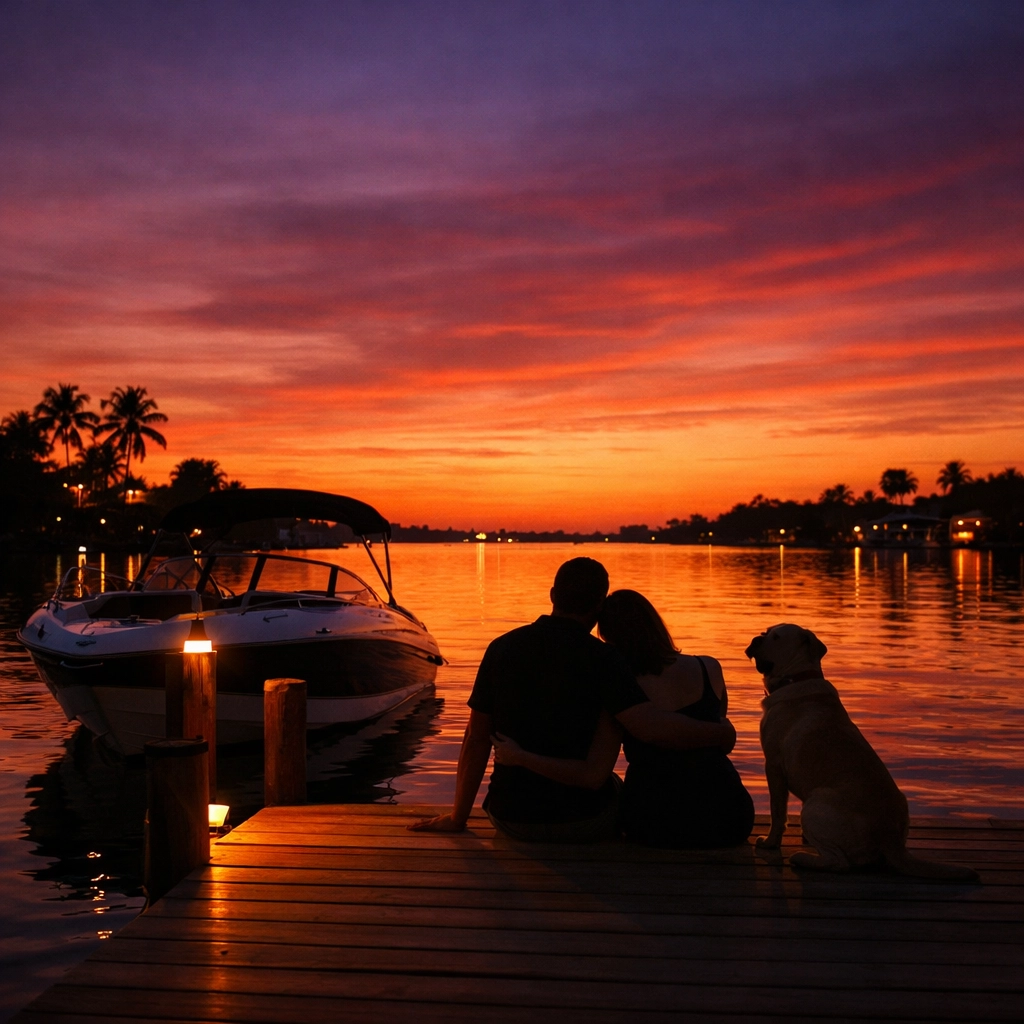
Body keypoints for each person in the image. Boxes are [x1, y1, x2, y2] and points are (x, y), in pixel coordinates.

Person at [410, 559, 736, 842]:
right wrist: (720, 733)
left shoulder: (502, 648)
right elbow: (649, 727)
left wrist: (458, 817)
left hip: (510, 817)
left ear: (553, 595)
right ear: (599, 606)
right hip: (584, 822)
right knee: (619, 787)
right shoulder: (606, 659)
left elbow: (477, 738)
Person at [493, 589, 754, 848]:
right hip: (729, 815)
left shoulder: (621, 687)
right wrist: (721, 733)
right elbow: (721, 739)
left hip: (655, 822)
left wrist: (520, 756)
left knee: (610, 784)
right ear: (655, 623)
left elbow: (595, 772)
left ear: (609, 637)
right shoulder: (709, 667)